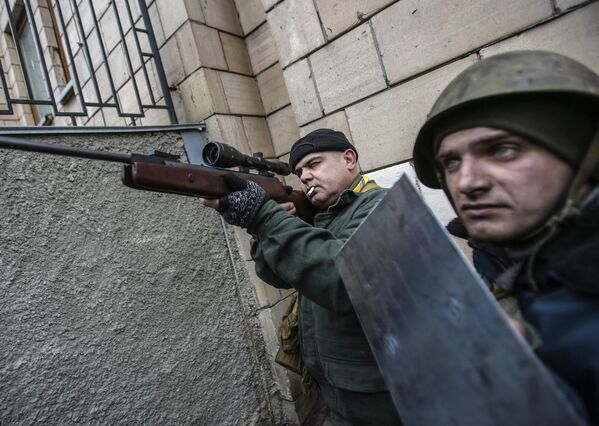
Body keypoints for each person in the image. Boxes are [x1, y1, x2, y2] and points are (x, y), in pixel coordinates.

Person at [412, 50, 599, 423]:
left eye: (502, 150)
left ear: (582, 158)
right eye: (451, 161)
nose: (468, 183)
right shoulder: (507, 256)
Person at [202, 129, 402, 425]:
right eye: (298, 172)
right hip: (334, 389)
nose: (305, 176)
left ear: (349, 159)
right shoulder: (322, 217)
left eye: (314, 164)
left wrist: (265, 218)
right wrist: (261, 228)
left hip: (378, 397)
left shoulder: (383, 204)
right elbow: (279, 276)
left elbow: (341, 279)